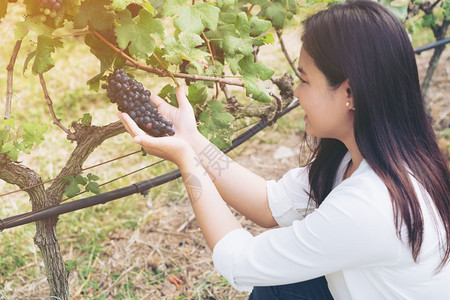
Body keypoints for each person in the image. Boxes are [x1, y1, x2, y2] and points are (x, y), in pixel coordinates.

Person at [118, 0, 450, 298]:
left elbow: (240, 264)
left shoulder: (371, 204)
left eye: (304, 80)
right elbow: (267, 203)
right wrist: (191, 138)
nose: (297, 94)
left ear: (349, 93)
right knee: (281, 284)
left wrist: (187, 162)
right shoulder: (363, 157)